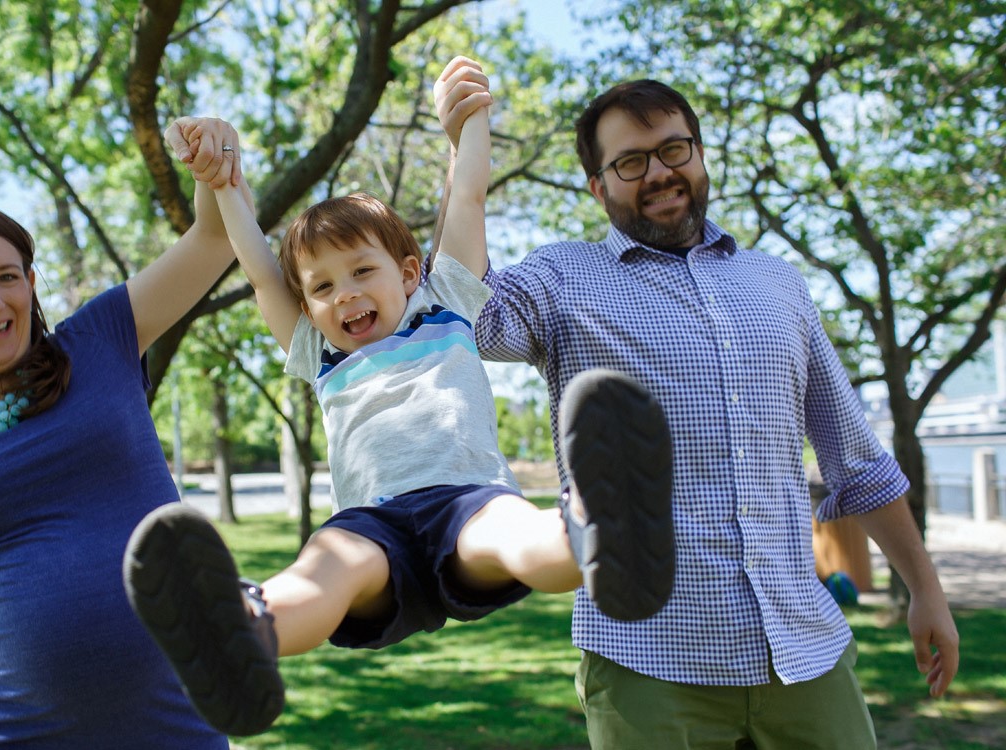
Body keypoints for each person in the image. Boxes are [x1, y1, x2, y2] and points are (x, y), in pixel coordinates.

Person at [121, 57, 674, 738]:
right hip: (371, 524)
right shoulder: (319, 353)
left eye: (361, 272)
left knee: (516, 532)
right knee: (322, 571)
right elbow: (260, 271)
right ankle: (242, 628)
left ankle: (598, 536)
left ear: (409, 272)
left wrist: (469, 125)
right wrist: (226, 185)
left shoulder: (447, 304)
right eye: (321, 288)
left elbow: (466, 198)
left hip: (465, 499)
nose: (343, 294)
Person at [433, 60, 962, 749]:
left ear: (700, 156)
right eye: (629, 163)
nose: (657, 172)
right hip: (649, 665)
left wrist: (926, 588)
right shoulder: (563, 278)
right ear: (598, 187)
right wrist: (462, 155)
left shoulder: (779, 284)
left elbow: (855, 459)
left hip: (803, 655)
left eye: (672, 150)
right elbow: (461, 309)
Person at [0, 118, 243, 749]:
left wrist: (216, 159)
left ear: (30, 284)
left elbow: (213, 236)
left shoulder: (101, 340)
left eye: (8, 275)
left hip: (176, 718)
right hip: (4, 728)